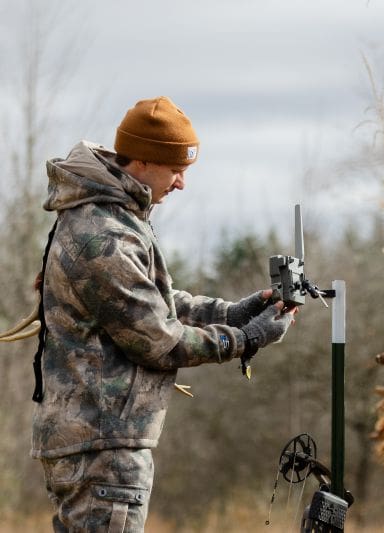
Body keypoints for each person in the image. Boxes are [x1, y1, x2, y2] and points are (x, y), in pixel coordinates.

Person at [31, 96, 296, 532]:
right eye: (177, 170)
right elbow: (160, 340)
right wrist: (247, 339)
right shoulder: (104, 235)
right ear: (141, 161)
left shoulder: (110, 217)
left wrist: (233, 313)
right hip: (102, 447)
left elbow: (156, 301)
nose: (181, 184)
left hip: (97, 442)